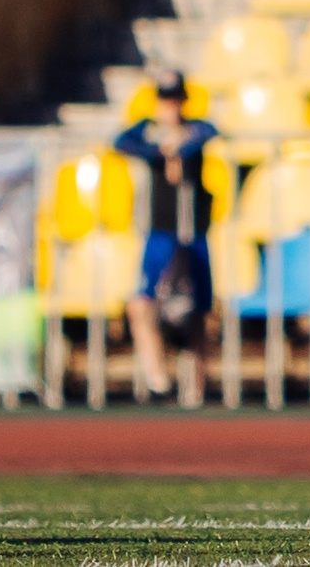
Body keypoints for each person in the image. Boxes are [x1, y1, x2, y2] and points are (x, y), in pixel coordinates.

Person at [111, 71, 219, 402]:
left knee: (198, 310)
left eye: (175, 100)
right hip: (159, 232)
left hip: (192, 233)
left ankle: (195, 387)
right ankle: (158, 380)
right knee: (142, 304)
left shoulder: (196, 129)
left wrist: (177, 148)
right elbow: (121, 142)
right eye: (165, 100)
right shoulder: (146, 132)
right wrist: (161, 153)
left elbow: (206, 134)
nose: (170, 107)